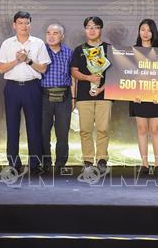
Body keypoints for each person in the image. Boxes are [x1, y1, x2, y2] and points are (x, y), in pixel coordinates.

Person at [0, 11, 51, 172]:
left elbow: (43, 68)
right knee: (12, 126)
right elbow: (1, 69)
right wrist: (17, 60)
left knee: (34, 126)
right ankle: (13, 162)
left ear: (30, 25)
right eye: (20, 23)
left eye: (26, 23)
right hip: (12, 88)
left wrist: (27, 60)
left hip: (32, 87)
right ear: (14, 25)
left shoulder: (38, 43)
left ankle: (34, 163)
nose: (23, 26)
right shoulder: (7, 44)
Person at [71, 16, 112, 175]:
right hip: (84, 96)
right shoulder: (79, 50)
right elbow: (74, 71)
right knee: (85, 130)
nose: (92, 30)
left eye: (95, 27)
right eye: (89, 27)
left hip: (105, 96)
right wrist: (89, 78)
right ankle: (88, 161)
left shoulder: (109, 49)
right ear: (85, 30)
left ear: (101, 29)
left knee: (103, 129)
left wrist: (101, 89)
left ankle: (102, 160)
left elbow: (116, 74)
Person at [130, 19, 158, 176]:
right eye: (142, 29)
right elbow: (128, 74)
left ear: (154, 33)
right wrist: (132, 93)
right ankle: (144, 164)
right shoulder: (132, 52)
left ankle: (157, 164)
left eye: (149, 30)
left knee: (155, 129)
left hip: (156, 97)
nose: (145, 33)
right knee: (142, 129)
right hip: (138, 96)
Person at [40, 23, 75, 174]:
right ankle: (46, 163)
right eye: (48, 33)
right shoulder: (40, 51)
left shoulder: (69, 52)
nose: (51, 36)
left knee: (62, 132)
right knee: (43, 132)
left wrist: (73, 98)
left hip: (64, 96)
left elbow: (73, 77)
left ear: (62, 36)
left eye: (55, 33)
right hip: (43, 96)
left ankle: (60, 163)